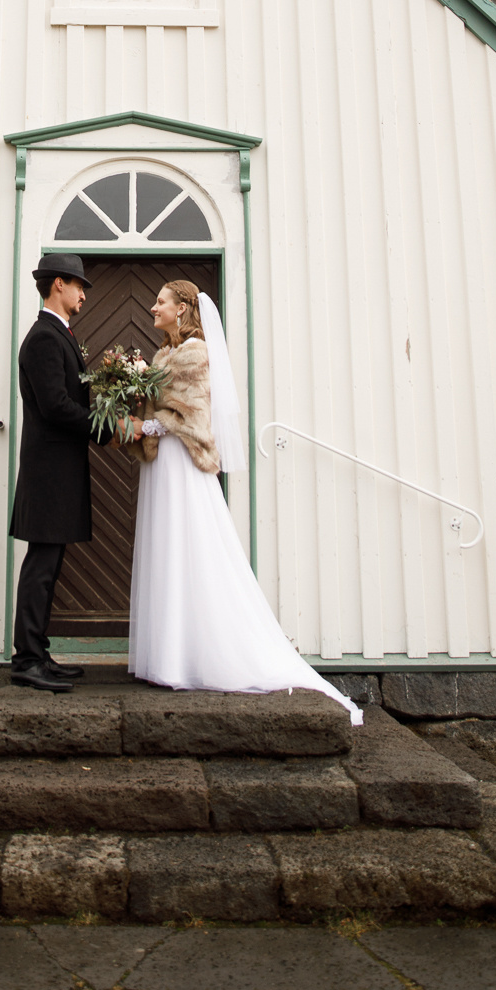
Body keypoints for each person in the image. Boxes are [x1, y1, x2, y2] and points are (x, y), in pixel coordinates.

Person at [123, 279, 363, 719]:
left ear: (182, 308)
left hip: (182, 461)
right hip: (161, 464)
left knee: (188, 544)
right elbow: (158, 404)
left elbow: (193, 415)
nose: (154, 308)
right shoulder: (160, 356)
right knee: (164, 547)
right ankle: (167, 655)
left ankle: (191, 656)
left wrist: (148, 426)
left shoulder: (196, 353)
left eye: (161, 302)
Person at [8, 252, 108, 694]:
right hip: (48, 473)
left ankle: (38, 653)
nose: (84, 294)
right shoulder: (44, 338)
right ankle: (27, 660)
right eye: (79, 285)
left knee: (48, 565)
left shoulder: (59, 334)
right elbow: (55, 406)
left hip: (58, 470)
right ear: (58, 285)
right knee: (41, 567)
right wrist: (106, 426)